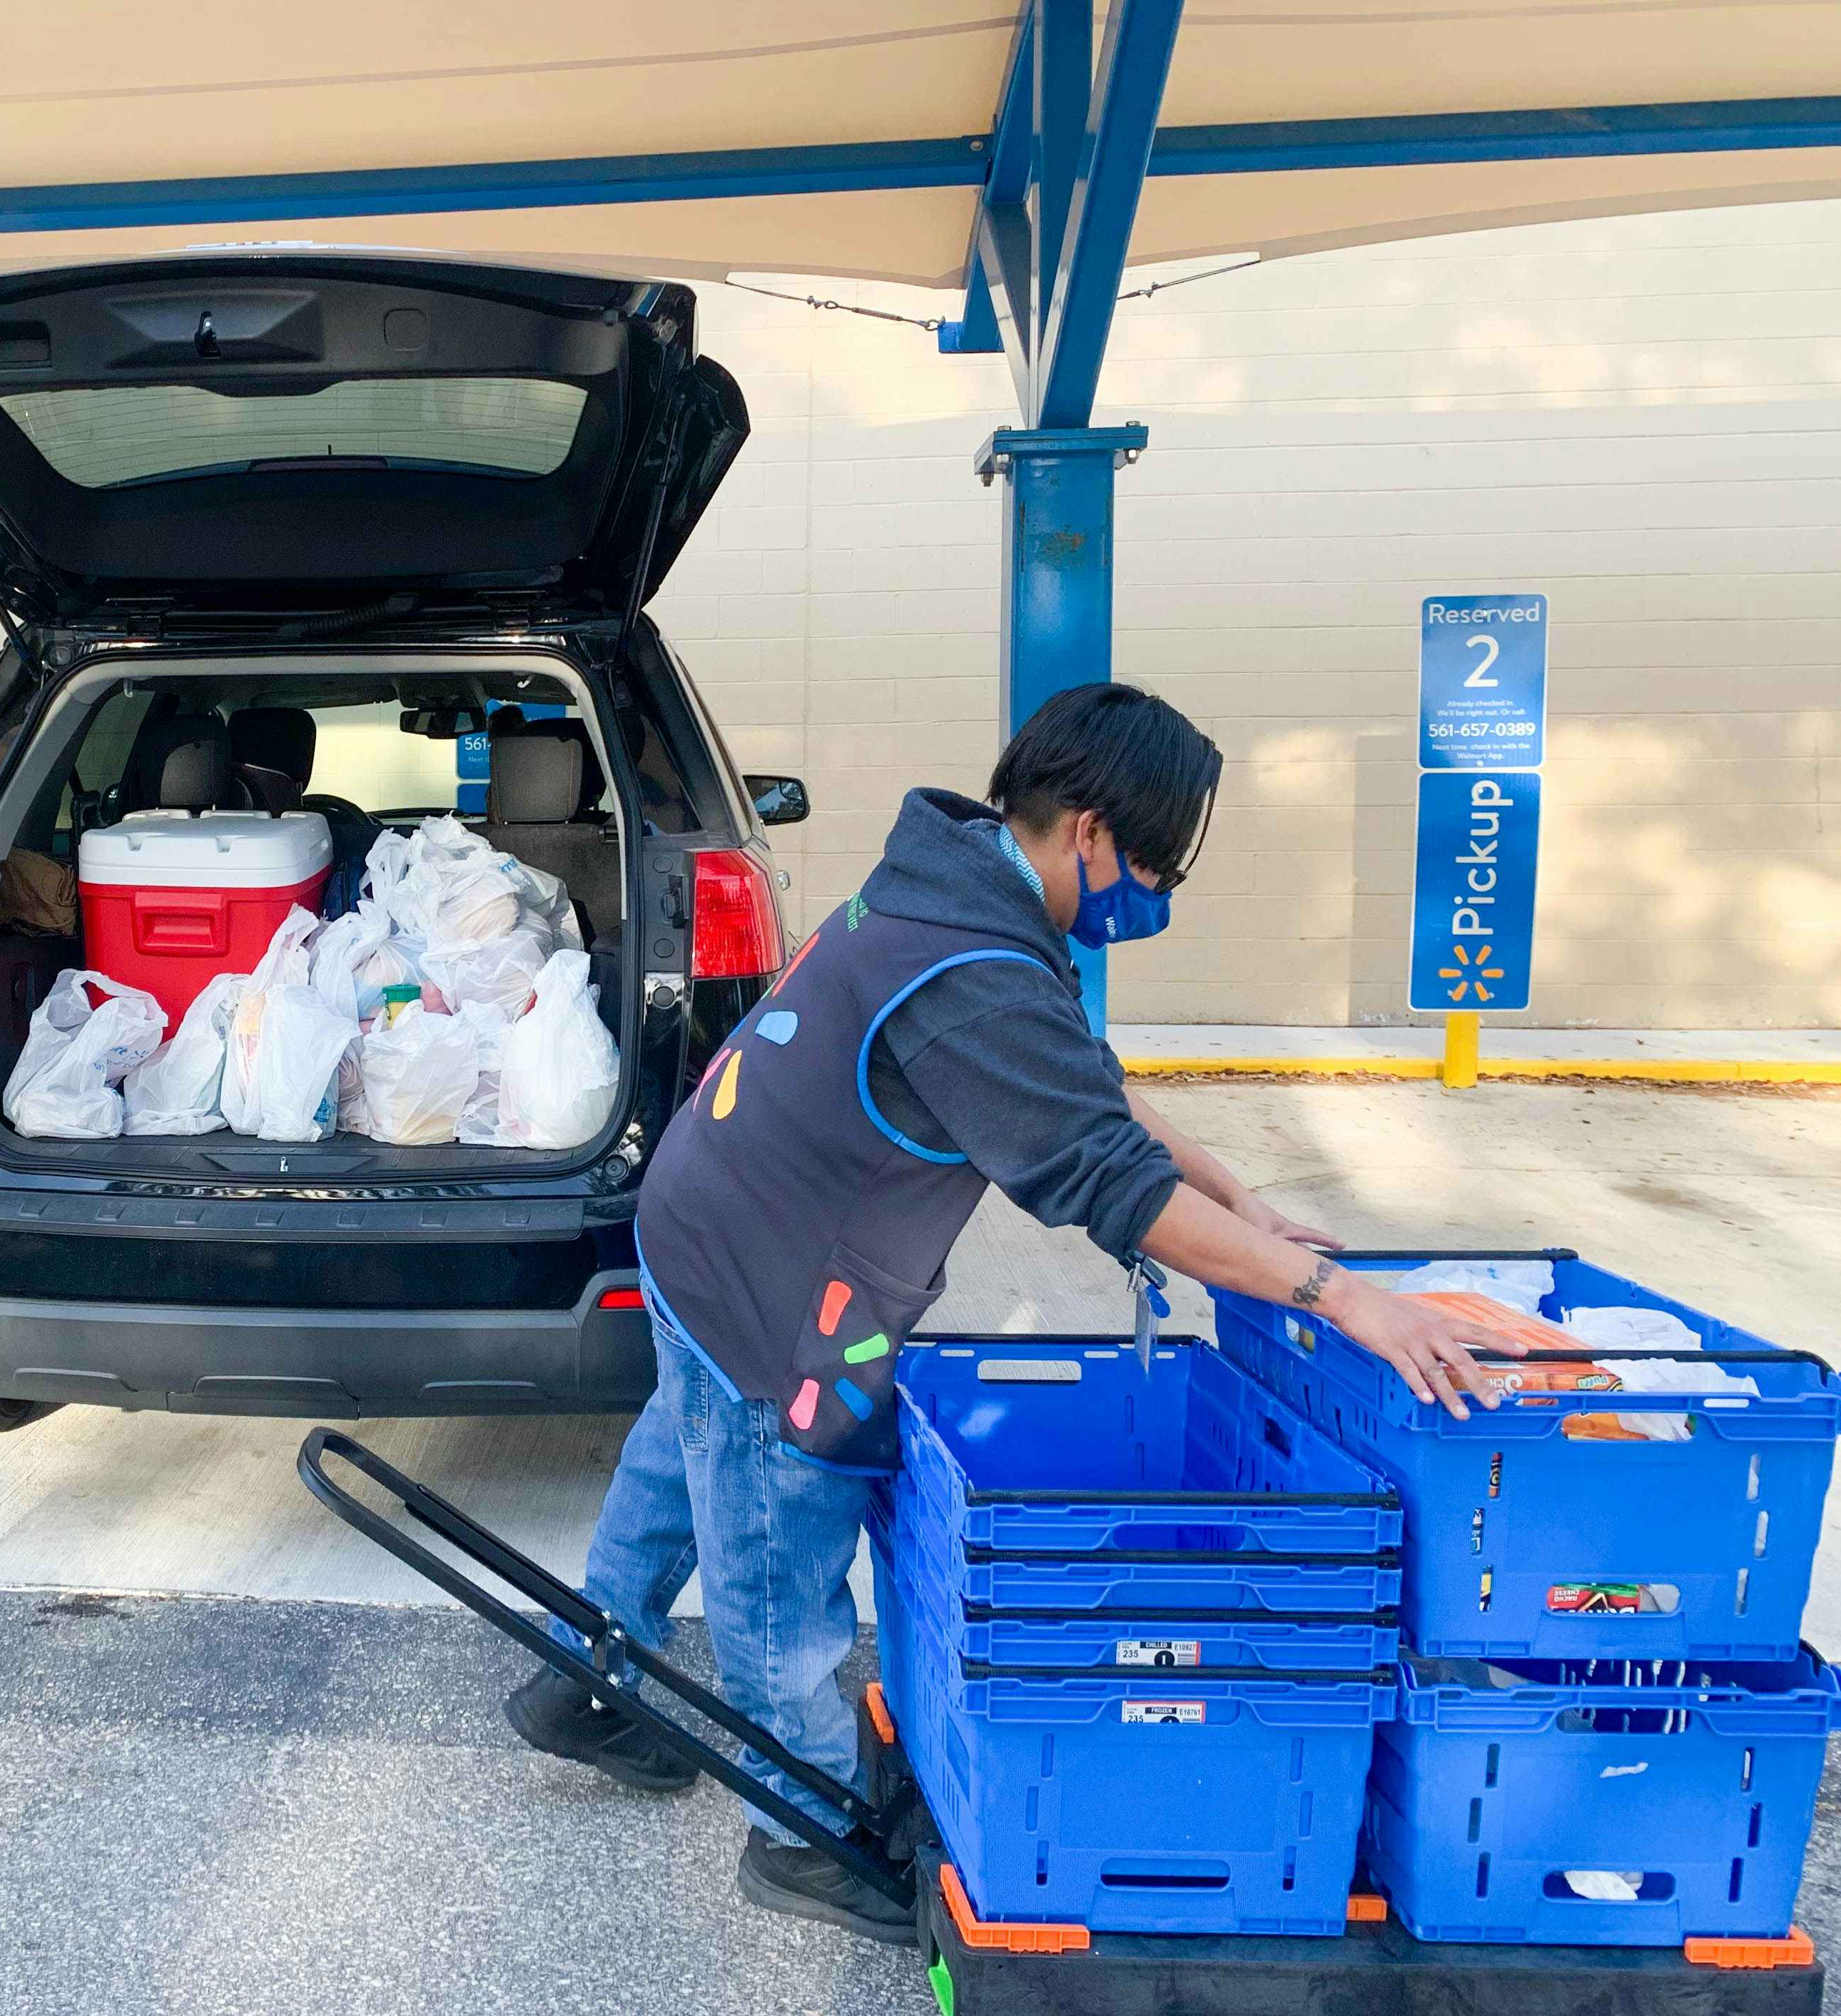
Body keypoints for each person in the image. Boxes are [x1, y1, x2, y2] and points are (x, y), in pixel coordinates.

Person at [502, 683, 1521, 1943]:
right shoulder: (973, 963)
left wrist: (1243, 1201)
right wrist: (1344, 1297)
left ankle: (582, 1673)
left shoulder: (959, 876)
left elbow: (1084, 1088)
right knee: (778, 1544)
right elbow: (1109, 1186)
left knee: (685, 1450)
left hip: (700, 1220)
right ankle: (797, 1823)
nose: (1155, 890)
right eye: (1153, 860)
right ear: (1088, 831)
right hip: (774, 1287)